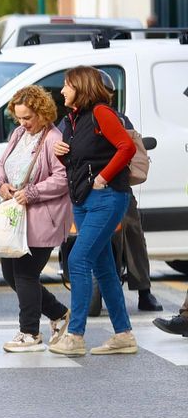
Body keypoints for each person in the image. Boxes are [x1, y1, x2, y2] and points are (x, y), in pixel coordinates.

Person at [49, 66, 137, 357]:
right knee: (104, 268)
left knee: (78, 258)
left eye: (66, 85)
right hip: (83, 200)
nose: (62, 91)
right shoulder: (73, 120)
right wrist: (63, 156)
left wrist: (104, 177)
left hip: (107, 197)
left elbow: (126, 148)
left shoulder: (102, 113)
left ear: (81, 87)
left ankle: (75, 335)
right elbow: (80, 164)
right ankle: (123, 335)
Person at [0, 86, 72, 352]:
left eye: (27, 118)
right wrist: (2, 185)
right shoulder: (18, 134)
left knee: (25, 273)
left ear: (42, 112)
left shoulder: (53, 138)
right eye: (19, 118)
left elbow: (62, 178)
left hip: (41, 216)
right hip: (16, 216)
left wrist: (33, 192)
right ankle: (59, 313)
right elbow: (2, 164)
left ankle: (29, 332)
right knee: (10, 273)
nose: (23, 123)